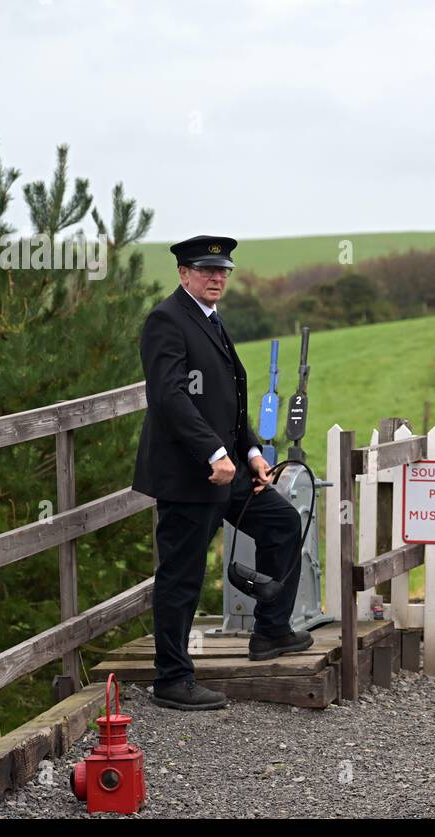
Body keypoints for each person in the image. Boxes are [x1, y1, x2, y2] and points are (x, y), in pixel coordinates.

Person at [132, 234, 312, 711]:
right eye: (205, 269)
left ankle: (271, 629)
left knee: (282, 524)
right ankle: (172, 678)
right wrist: (213, 453)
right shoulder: (166, 320)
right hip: (188, 473)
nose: (216, 277)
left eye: (222, 270)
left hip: (229, 468)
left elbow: (225, 402)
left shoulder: (211, 319)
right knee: (182, 575)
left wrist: (250, 449)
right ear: (183, 273)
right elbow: (169, 397)